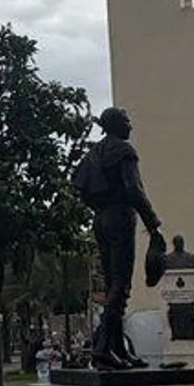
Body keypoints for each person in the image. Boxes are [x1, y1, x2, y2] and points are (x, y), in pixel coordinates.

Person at [73, 107, 163, 370]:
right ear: (115, 125)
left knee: (113, 284)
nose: (131, 126)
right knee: (121, 287)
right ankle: (102, 348)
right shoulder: (124, 150)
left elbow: (81, 186)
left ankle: (118, 349)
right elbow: (133, 189)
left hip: (100, 219)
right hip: (120, 217)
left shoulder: (95, 152)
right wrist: (153, 224)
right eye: (126, 121)